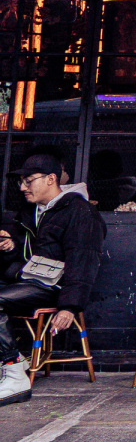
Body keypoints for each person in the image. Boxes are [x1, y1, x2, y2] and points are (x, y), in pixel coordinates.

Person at [0, 155, 106, 405]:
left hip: (54, 287)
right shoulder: (31, 212)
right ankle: (12, 360)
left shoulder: (81, 212)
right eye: (21, 182)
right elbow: (30, 253)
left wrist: (70, 306)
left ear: (51, 179)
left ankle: (15, 374)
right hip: (27, 281)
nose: (23, 188)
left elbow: (84, 260)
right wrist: (10, 246)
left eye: (29, 181)